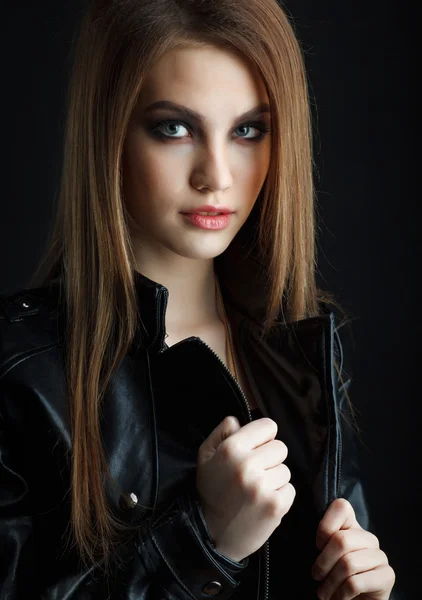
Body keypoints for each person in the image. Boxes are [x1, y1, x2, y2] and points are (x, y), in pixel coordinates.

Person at [0, 0, 399, 598]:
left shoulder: (304, 345)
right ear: (108, 131)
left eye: (247, 129)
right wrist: (206, 541)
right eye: (174, 127)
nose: (217, 174)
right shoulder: (20, 371)